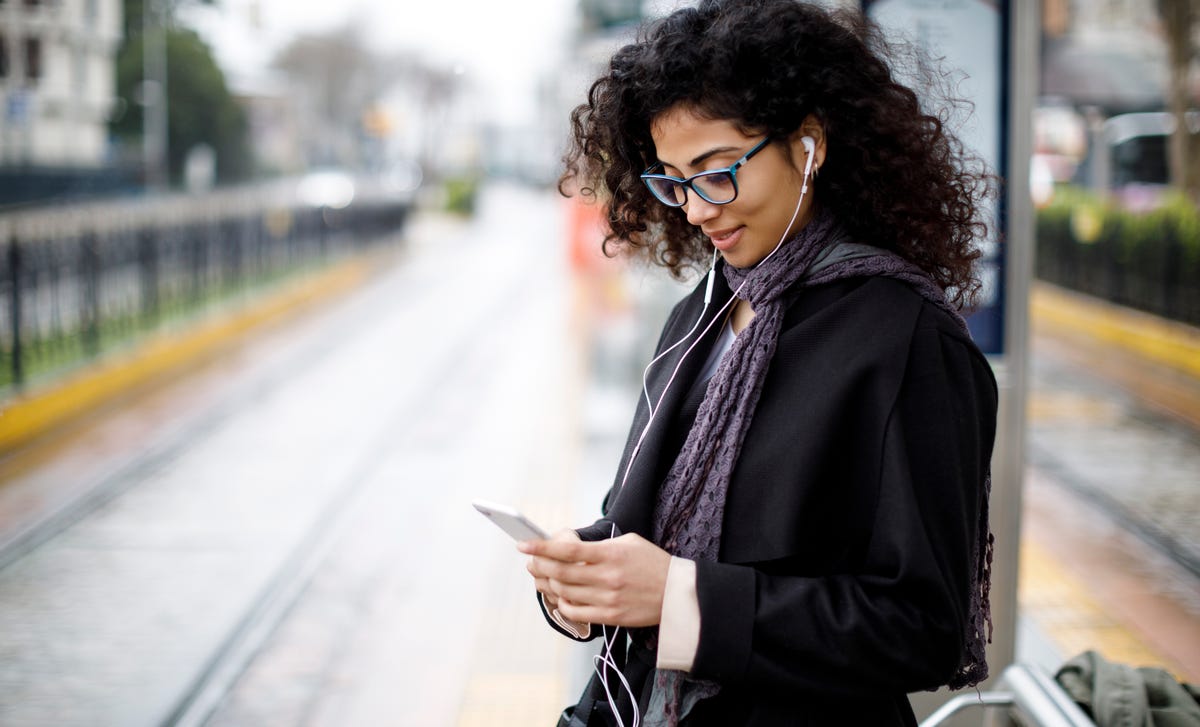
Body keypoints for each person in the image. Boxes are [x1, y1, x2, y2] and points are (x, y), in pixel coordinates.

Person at [519, 1, 999, 725]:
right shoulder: (701, 312)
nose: (695, 210)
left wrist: (681, 598)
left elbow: (922, 627)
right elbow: (650, 524)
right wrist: (588, 571)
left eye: (717, 172)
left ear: (809, 144)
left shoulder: (906, 339)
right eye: (672, 180)